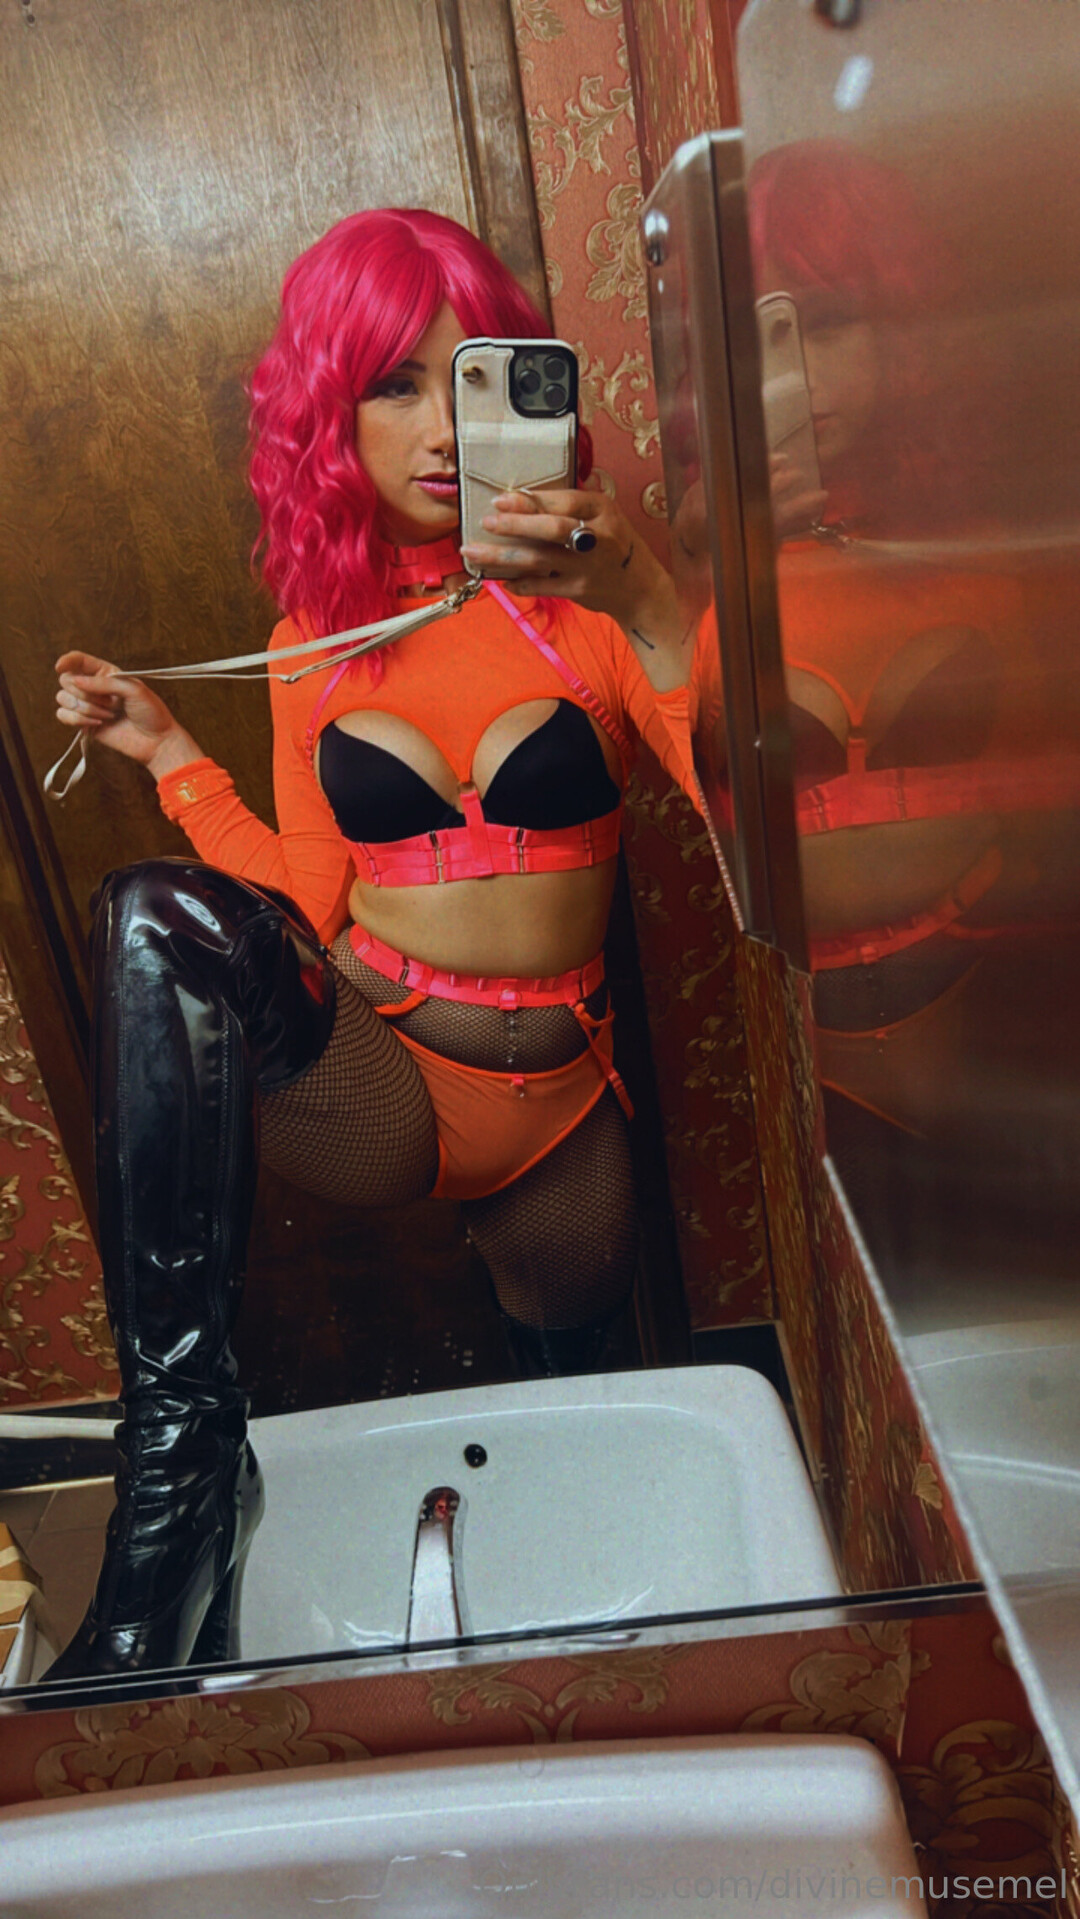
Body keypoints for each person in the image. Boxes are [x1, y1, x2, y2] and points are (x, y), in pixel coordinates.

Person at [45, 208, 697, 1679]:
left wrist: (648, 595)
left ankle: (562, 1671)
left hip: (561, 1111)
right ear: (328, 418)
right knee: (160, 911)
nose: (443, 428)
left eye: (473, 376)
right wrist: (170, 755)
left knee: (575, 1418)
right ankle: (180, 1463)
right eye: (395, 385)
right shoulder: (310, 643)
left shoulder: (589, 606)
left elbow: (742, 809)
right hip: (379, 1079)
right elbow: (306, 903)